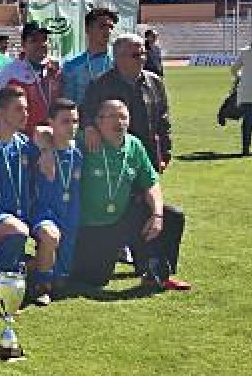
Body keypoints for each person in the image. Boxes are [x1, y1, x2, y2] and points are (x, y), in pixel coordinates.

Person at [71, 99, 190, 292]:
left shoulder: (134, 145)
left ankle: (158, 274)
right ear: (98, 121)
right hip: (91, 224)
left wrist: (157, 214)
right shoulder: (85, 140)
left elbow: (151, 183)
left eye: (123, 117)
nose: (119, 122)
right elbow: (51, 134)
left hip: (123, 216)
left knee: (172, 216)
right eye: (112, 117)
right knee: (94, 279)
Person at [0, 87, 59, 306]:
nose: (26, 114)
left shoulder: (25, 144)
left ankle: (40, 285)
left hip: (27, 210)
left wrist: (48, 150)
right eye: (19, 109)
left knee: (51, 235)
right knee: (17, 230)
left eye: (26, 109)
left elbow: (47, 142)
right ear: (1, 113)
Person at [81, 33, 174, 173]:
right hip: (114, 158)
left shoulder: (155, 82)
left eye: (143, 53)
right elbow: (86, 114)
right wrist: (89, 128)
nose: (142, 59)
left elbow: (163, 120)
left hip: (149, 157)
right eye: (136, 55)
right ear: (119, 58)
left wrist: (165, 154)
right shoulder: (99, 85)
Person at [31, 99, 83, 297]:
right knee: (50, 236)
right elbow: (38, 131)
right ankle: (41, 286)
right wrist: (46, 149)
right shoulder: (39, 147)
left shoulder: (79, 151)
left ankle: (26, 268)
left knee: (62, 282)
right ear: (51, 122)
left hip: (71, 214)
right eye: (65, 121)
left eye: (75, 121)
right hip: (44, 213)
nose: (72, 127)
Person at [0, 21, 62, 134]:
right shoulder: (10, 70)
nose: (41, 44)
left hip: (52, 138)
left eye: (44, 39)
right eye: (34, 40)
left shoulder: (57, 68)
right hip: (21, 142)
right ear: (23, 44)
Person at [62, 7, 118, 108]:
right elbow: (69, 104)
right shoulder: (72, 65)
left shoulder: (119, 62)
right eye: (102, 26)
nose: (108, 31)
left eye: (111, 27)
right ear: (87, 29)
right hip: (85, 121)